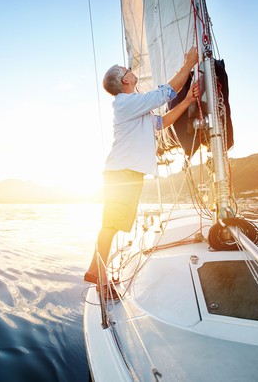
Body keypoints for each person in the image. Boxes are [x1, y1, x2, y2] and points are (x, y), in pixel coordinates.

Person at [84, 47, 199, 298]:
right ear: (125, 80)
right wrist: (189, 63)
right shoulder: (126, 103)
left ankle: (96, 269)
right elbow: (166, 93)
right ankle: (98, 276)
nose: (131, 71)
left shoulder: (134, 107)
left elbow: (161, 123)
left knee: (114, 225)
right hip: (121, 173)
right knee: (111, 225)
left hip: (126, 173)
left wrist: (189, 100)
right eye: (128, 71)